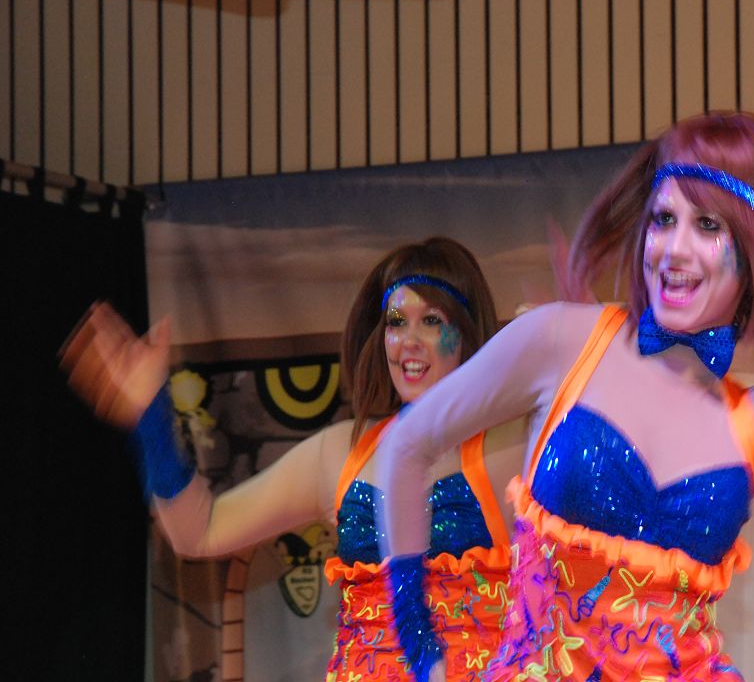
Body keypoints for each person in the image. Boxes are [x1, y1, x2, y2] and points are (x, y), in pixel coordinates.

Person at [377, 113, 754, 681]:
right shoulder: (564, 342)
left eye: (708, 225)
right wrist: (421, 647)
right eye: (664, 219)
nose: (674, 249)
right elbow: (407, 445)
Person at [59, 237, 527, 682]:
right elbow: (199, 531)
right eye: (396, 321)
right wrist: (151, 418)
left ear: (467, 333)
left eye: (432, 320)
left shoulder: (510, 446)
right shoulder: (339, 454)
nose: (409, 340)